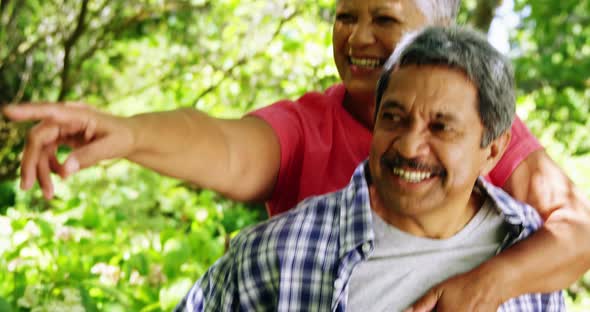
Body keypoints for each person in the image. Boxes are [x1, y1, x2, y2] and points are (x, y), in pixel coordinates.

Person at [2, 0, 589, 310]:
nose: (358, 38)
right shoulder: (310, 123)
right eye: (345, 17)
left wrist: (483, 286)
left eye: (383, 18)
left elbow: (576, 233)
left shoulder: (475, 137)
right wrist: (126, 133)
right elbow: (225, 147)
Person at [175, 26, 565, 311]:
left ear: (493, 150)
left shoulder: (526, 244)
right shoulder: (283, 251)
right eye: (393, 118)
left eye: (440, 127)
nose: (410, 145)